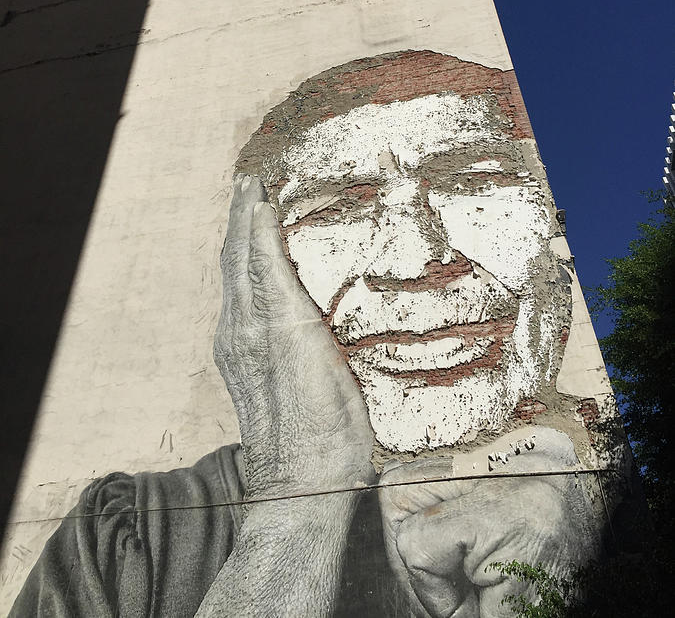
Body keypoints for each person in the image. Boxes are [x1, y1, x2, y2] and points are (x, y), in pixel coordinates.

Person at [10, 51, 606, 617]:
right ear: (256, 268)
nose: (415, 259)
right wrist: (298, 498)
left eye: (472, 180)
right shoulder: (141, 533)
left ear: (552, 225)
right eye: (338, 209)